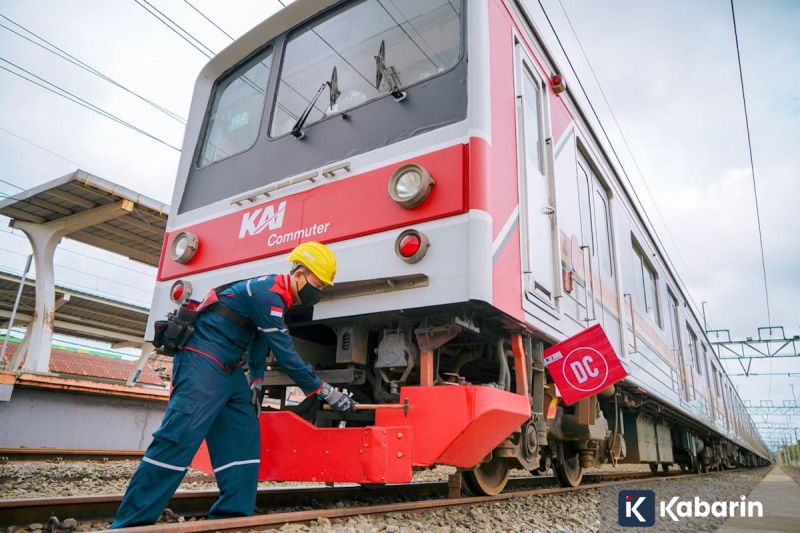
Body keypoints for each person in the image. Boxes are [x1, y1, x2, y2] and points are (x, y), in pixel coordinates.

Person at [110, 242, 353, 528]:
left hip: (228, 369)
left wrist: (256, 380)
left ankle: (231, 518)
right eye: (318, 284)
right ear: (299, 273)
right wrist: (325, 391)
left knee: (243, 433)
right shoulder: (268, 293)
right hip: (202, 361)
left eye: (324, 287)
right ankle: (130, 523)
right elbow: (286, 354)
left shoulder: (277, 297)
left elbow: (261, 340)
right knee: (179, 436)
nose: (320, 291)